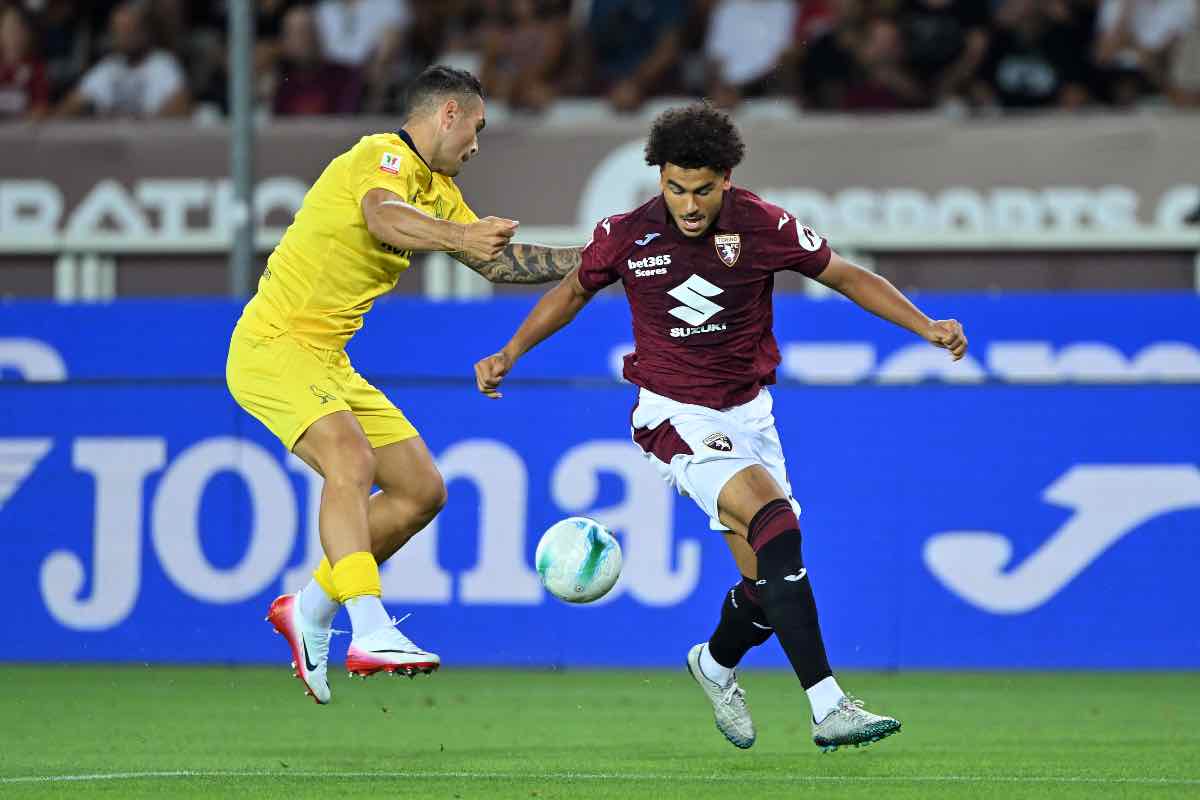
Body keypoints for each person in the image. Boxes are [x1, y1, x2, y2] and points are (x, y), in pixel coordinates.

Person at [473, 103, 967, 752]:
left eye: (703, 189)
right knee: (778, 527)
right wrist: (510, 352)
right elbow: (570, 292)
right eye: (676, 187)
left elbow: (845, 275)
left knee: (766, 588)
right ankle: (829, 705)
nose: (689, 204)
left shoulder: (761, 225)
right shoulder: (629, 234)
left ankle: (712, 663)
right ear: (660, 180)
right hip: (674, 414)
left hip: (750, 414)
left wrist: (925, 325)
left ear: (726, 179)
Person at [226, 65, 582, 705]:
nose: (476, 145)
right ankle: (367, 626)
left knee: (421, 491)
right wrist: (459, 233)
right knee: (351, 459)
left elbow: (495, 260)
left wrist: (595, 261)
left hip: (327, 359)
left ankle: (307, 608)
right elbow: (383, 218)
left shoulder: (439, 190)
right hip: (273, 345)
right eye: (474, 128)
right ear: (447, 113)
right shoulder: (380, 157)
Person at [55, 1, 190, 119]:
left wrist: (141, 121)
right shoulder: (109, 66)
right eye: (117, 32)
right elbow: (73, 103)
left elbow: (181, 106)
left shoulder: (162, 63)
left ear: (145, 32)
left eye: (128, 30)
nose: (122, 37)